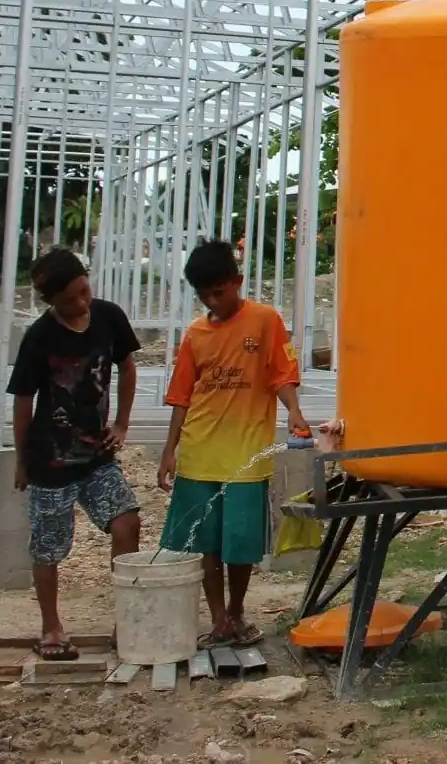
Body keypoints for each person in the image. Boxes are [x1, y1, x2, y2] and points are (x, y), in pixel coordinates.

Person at [157, 240, 311, 649]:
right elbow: (182, 397)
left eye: (219, 292)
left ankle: (238, 610)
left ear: (237, 282)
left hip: (246, 453)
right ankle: (219, 618)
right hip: (200, 452)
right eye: (204, 294)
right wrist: (169, 450)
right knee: (206, 542)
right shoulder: (195, 335)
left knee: (240, 543)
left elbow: (281, 372)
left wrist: (294, 411)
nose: (213, 301)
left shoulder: (265, 321)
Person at [6, 248, 143, 661]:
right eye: (69, 300)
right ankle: (51, 627)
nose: (81, 304)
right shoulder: (40, 337)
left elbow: (128, 365)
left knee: (128, 522)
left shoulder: (108, 316)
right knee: (49, 547)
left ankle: (126, 620)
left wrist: (121, 423)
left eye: (84, 292)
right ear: (51, 302)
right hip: (50, 461)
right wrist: (20, 458)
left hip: (97, 455)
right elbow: (23, 401)